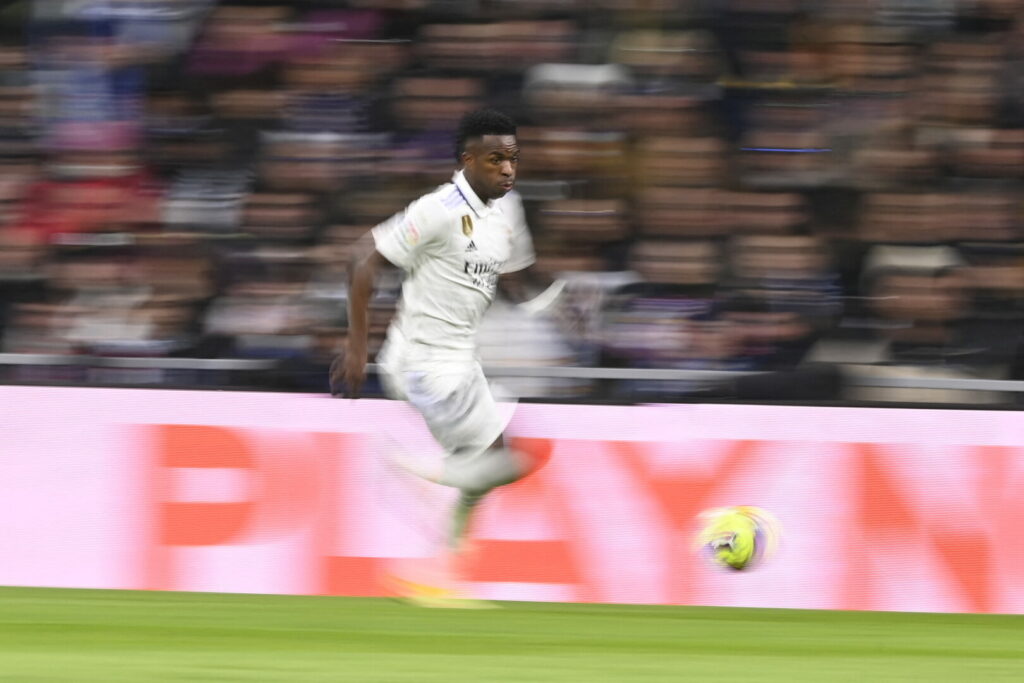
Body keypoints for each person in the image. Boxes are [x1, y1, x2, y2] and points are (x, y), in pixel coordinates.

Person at [330, 108, 564, 606]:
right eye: (495, 159)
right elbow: (362, 260)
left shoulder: (508, 210)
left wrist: (556, 306)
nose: (507, 168)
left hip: (461, 361)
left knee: (486, 468)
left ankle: (439, 571)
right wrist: (356, 348)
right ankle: (409, 469)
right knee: (515, 457)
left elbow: (515, 278)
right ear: (468, 160)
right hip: (420, 363)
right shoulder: (437, 210)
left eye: (513, 158)